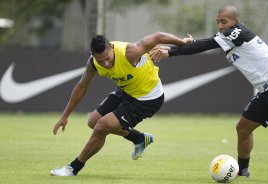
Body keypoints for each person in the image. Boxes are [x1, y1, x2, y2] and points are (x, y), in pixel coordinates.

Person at [150, 5, 268, 178]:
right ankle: (243, 173)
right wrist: (184, 44)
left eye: (224, 22)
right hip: (266, 91)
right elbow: (205, 42)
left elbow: (205, 45)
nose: (220, 25)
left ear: (236, 21)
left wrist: (170, 51)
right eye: (218, 22)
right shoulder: (226, 36)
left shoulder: (236, 33)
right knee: (243, 128)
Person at [50, 32, 193, 176]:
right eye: (101, 61)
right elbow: (82, 86)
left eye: (107, 58)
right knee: (93, 121)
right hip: (126, 91)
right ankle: (139, 138)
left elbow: (158, 37)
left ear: (111, 47)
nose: (105, 64)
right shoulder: (93, 63)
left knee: (101, 127)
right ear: (93, 56)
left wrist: (182, 42)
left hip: (147, 98)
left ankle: (73, 168)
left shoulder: (129, 52)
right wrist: (65, 116)